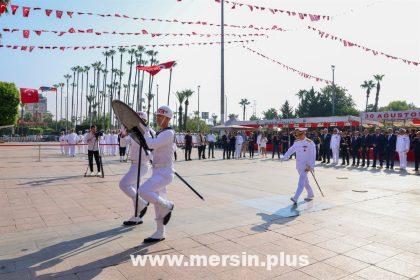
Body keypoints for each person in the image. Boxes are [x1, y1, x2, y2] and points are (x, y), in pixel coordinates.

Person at [138, 105, 175, 243]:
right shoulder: (162, 132)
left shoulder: (168, 133)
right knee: (157, 204)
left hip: (164, 172)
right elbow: (153, 150)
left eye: (160, 116)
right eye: (157, 116)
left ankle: (168, 205)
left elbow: (151, 144)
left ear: (167, 118)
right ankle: (160, 232)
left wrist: (146, 133)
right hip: (157, 170)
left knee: (143, 191)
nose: (158, 118)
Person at [119, 112, 151, 226]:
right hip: (134, 164)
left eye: (140, 120)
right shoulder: (133, 134)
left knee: (123, 184)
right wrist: (123, 134)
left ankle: (142, 203)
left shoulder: (148, 133)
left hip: (142, 165)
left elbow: (151, 148)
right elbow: (123, 144)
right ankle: (136, 217)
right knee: (134, 191)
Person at [281, 129, 316, 204]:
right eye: (298, 135)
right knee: (305, 181)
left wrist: (311, 165)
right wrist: (284, 156)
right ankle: (310, 194)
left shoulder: (310, 142)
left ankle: (295, 197)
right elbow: (291, 150)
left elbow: (313, 155)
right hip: (299, 165)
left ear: (304, 133)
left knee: (301, 181)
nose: (299, 137)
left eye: (300, 135)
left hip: (306, 166)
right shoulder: (297, 142)